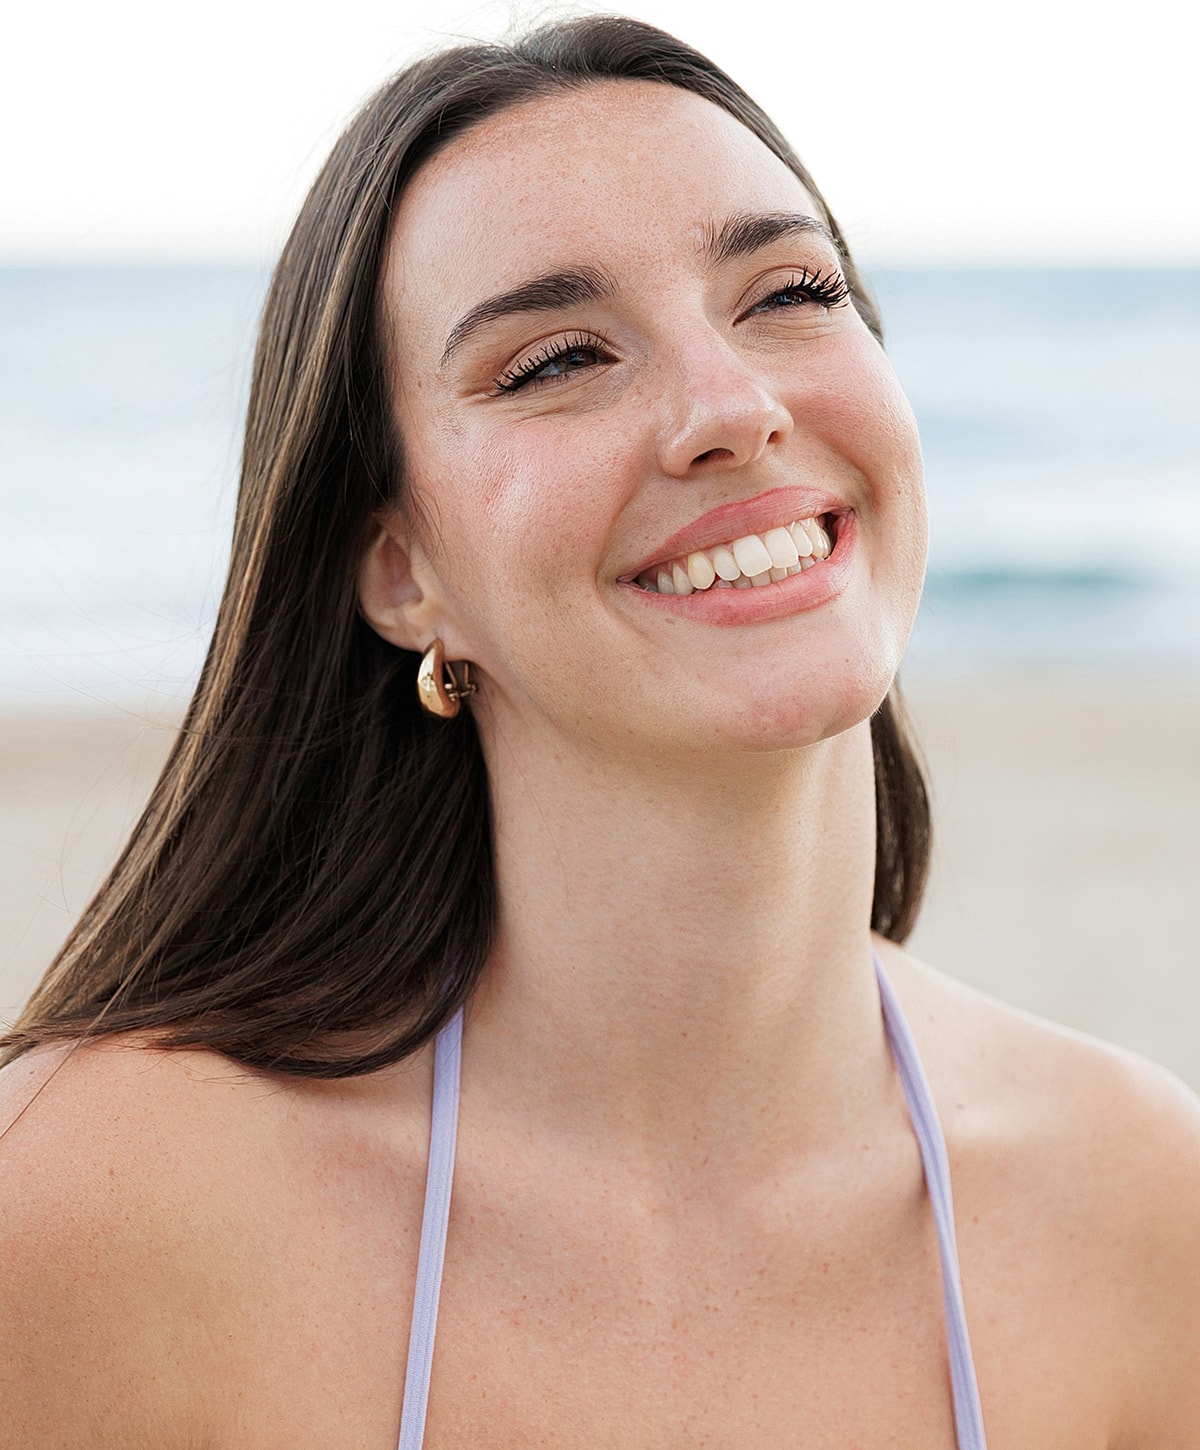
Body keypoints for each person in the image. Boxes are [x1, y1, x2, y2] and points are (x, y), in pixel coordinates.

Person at [1, 16, 1197, 1447]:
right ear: (399, 572)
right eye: (560, 357)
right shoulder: (98, 1198)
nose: (732, 407)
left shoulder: (1141, 1203)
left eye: (790, 291)